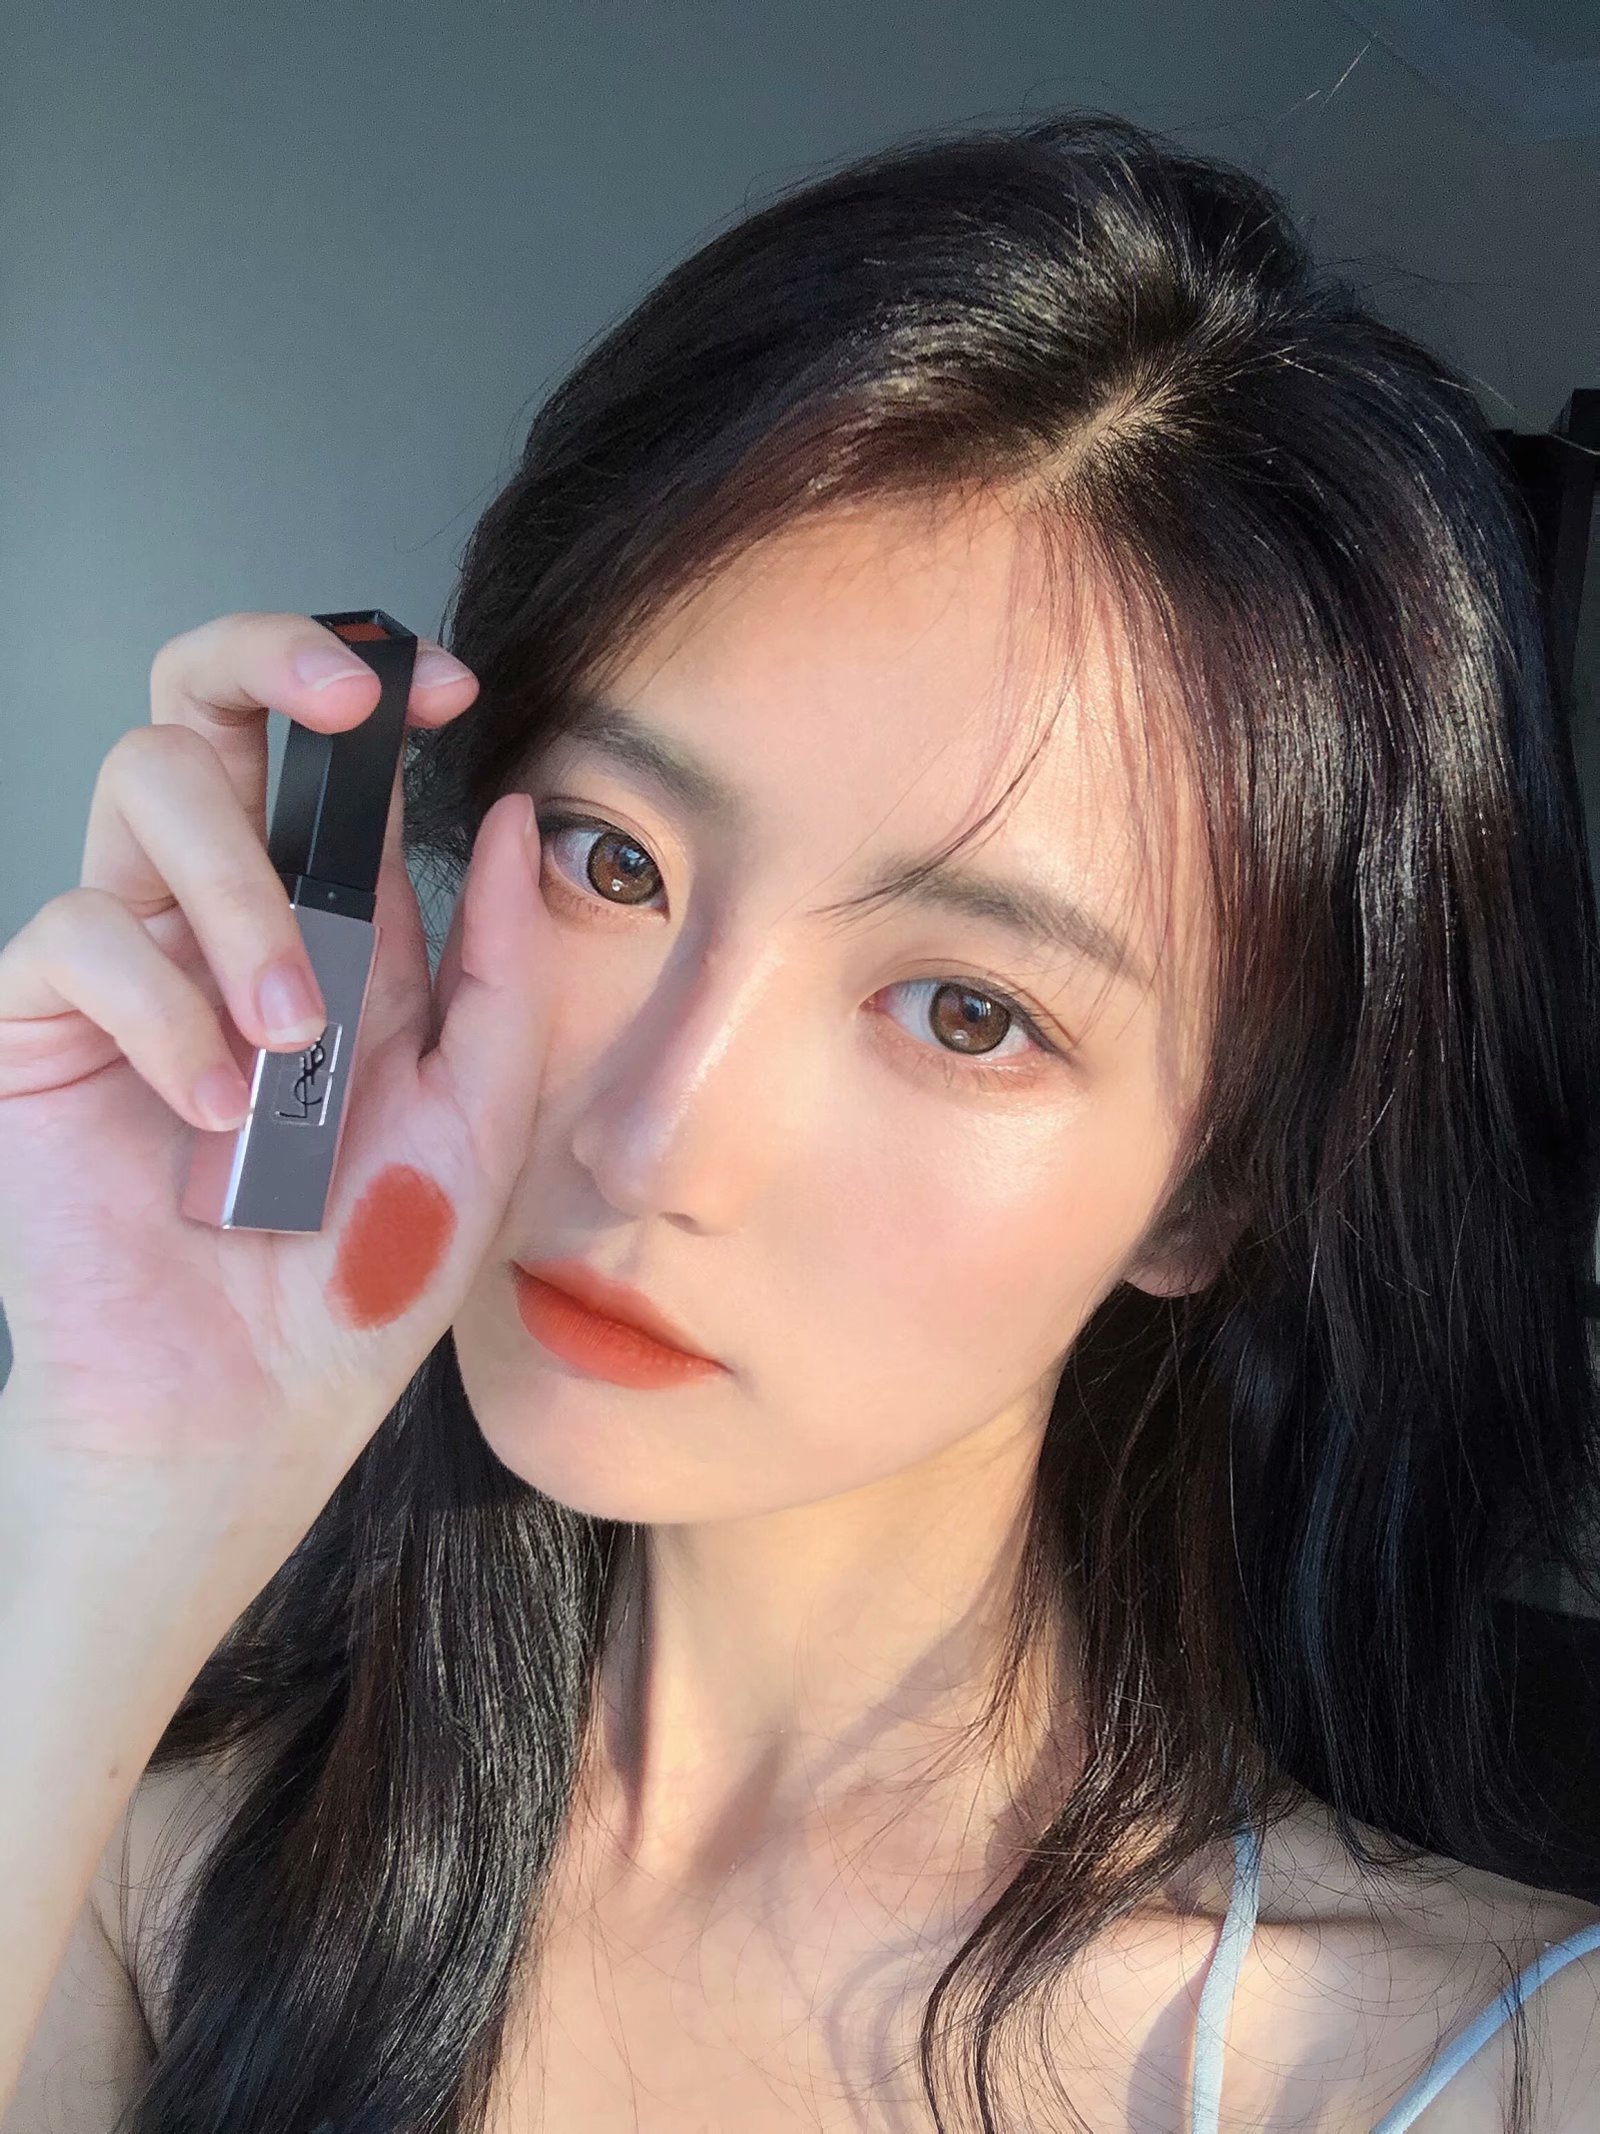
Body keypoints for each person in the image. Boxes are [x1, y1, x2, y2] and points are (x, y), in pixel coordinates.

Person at [1, 107, 1598, 2134]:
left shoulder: (1486, 2067)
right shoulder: (141, 1863)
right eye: (613, 859)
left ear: (1210, 1189)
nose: (654, 1139)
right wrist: (112, 1476)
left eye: (968, 1010)